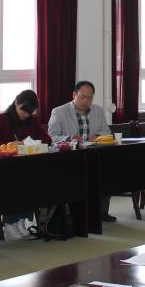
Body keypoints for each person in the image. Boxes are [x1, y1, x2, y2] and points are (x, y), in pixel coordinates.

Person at [0, 90, 51, 239]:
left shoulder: (32, 120)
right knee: (16, 183)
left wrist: (30, 142)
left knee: (32, 182)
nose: (26, 115)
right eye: (23, 110)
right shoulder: (2, 119)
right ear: (16, 102)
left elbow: (47, 140)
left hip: (25, 166)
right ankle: (10, 222)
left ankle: (21, 220)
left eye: (29, 112)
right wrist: (9, 144)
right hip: (4, 167)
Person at [47, 80, 116, 222]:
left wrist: (97, 136)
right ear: (74, 95)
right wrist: (69, 138)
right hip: (70, 158)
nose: (86, 101)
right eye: (83, 97)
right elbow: (51, 137)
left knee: (106, 173)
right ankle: (74, 215)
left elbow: (106, 130)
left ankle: (101, 212)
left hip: (93, 155)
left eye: (90, 98)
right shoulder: (59, 112)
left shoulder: (98, 111)